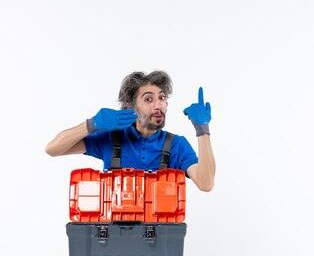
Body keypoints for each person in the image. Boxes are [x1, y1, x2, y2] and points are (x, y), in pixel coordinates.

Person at [45, 70, 215, 192]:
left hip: (159, 238)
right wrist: (91, 124)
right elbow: (53, 149)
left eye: (162, 98)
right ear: (130, 106)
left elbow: (206, 183)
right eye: (148, 99)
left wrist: (202, 130)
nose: (158, 105)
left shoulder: (176, 145)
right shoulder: (112, 138)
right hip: (113, 238)